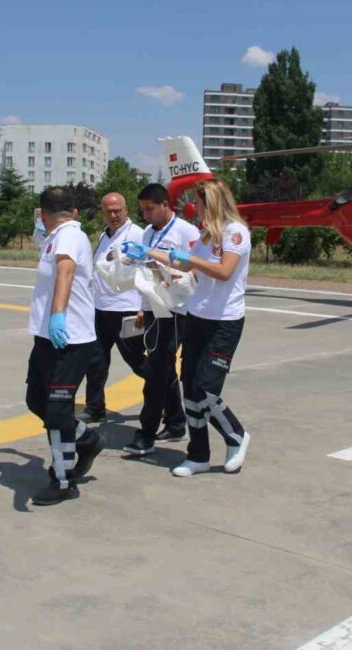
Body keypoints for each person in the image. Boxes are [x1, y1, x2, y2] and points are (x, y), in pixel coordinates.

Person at [136, 178, 251, 477]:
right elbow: (182, 264)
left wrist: (193, 260)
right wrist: (148, 253)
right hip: (196, 318)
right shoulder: (204, 237)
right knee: (190, 388)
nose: (194, 209)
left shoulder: (235, 233)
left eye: (198, 204)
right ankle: (198, 454)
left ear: (212, 203)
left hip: (224, 322)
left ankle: (236, 436)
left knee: (206, 389)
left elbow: (225, 271)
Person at [24, 186, 106, 505]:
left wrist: (58, 315)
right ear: (72, 210)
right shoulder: (53, 237)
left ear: (44, 215)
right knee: (36, 401)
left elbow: (66, 271)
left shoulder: (70, 235)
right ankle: (88, 439)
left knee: (58, 412)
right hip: (47, 338)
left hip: (69, 339)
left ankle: (63, 480)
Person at [121, 183, 200, 456]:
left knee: (157, 371)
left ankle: (146, 433)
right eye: (142, 210)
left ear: (165, 205)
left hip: (179, 310)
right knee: (162, 368)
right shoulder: (147, 233)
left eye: (150, 209)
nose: (146, 215)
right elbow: (147, 270)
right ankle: (176, 422)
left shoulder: (187, 231)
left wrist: (167, 269)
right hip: (155, 307)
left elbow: (194, 270)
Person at [80, 192, 146, 422]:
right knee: (95, 361)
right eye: (108, 211)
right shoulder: (104, 236)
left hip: (128, 310)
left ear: (126, 210)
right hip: (101, 309)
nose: (113, 215)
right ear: (102, 213)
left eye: (117, 210)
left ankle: (169, 402)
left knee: (138, 362)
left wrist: (143, 307)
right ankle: (95, 407)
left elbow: (149, 270)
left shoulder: (138, 234)